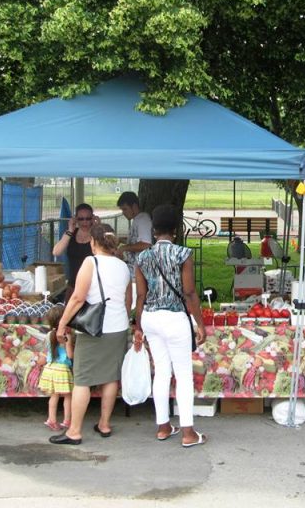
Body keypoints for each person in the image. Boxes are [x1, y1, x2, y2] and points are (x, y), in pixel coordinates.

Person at [51, 223, 131, 445]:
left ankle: (74, 431)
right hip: (118, 326)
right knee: (111, 376)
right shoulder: (123, 266)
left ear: (94, 242)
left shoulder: (91, 262)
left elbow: (78, 297)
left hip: (95, 327)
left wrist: (62, 324)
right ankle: (104, 424)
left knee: (83, 379)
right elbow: (128, 300)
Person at [134, 204, 207, 447]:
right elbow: (189, 292)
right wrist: (200, 323)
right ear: (174, 230)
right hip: (175, 318)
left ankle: (163, 427)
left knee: (162, 371)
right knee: (183, 375)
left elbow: (140, 296)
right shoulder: (182, 254)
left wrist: (138, 325)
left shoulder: (142, 257)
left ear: (154, 230)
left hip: (151, 318)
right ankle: (188, 433)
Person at [39, 305, 74, 431]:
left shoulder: (48, 334)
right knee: (68, 396)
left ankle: (52, 420)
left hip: (49, 368)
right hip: (62, 370)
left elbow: (46, 351)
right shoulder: (66, 336)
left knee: (54, 396)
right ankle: (67, 420)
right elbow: (69, 355)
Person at [52, 203, 97, 300]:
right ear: (76, 219)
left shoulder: (96, 234)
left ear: (92, 219)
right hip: (74, 285)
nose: (84, 222)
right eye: (81, 219)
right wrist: (70, 230)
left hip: (93, 286)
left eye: (88, 218)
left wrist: (98, 228)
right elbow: (56, 252)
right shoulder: (71, 234)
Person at [116, 191, 153, 271]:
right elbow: (136, 241)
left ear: (134, 206)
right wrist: (121, 240)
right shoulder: (137, 220)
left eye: (125, 209)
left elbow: (146, 244)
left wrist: (123, 248)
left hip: (141, 270)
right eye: (122, 210)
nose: (123, 213)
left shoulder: (143, 220)